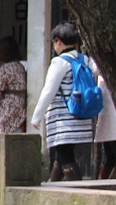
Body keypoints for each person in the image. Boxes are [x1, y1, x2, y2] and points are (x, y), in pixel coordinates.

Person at [31, 21, 95, 181]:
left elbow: (48, 91)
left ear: (58, 41)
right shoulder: (85, 60)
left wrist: (37, 115)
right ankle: (48, 194)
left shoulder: (59, 62)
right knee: (60, 159)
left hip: (63, 123)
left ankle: (82, 196)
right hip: (82, 118)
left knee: (66, 159)